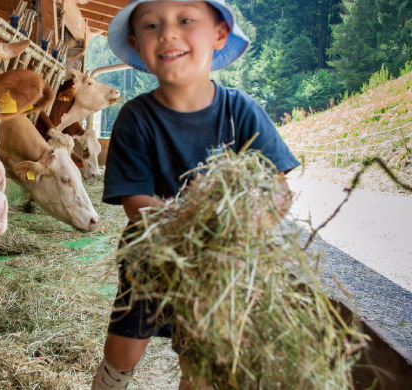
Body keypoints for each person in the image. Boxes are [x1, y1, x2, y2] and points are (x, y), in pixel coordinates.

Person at [91, 1, 300, 388]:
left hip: (221, 265)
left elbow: (277, 187)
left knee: (201, 357)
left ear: (218, 34)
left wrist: (244, 228)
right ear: (137, 46)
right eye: (152, 26)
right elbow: (136, 204)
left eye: (186, 20)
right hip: (151, 257)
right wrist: (195, 223)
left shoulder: (241, 111)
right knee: (124, 350)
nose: (168, 33)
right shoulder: (136, 118)